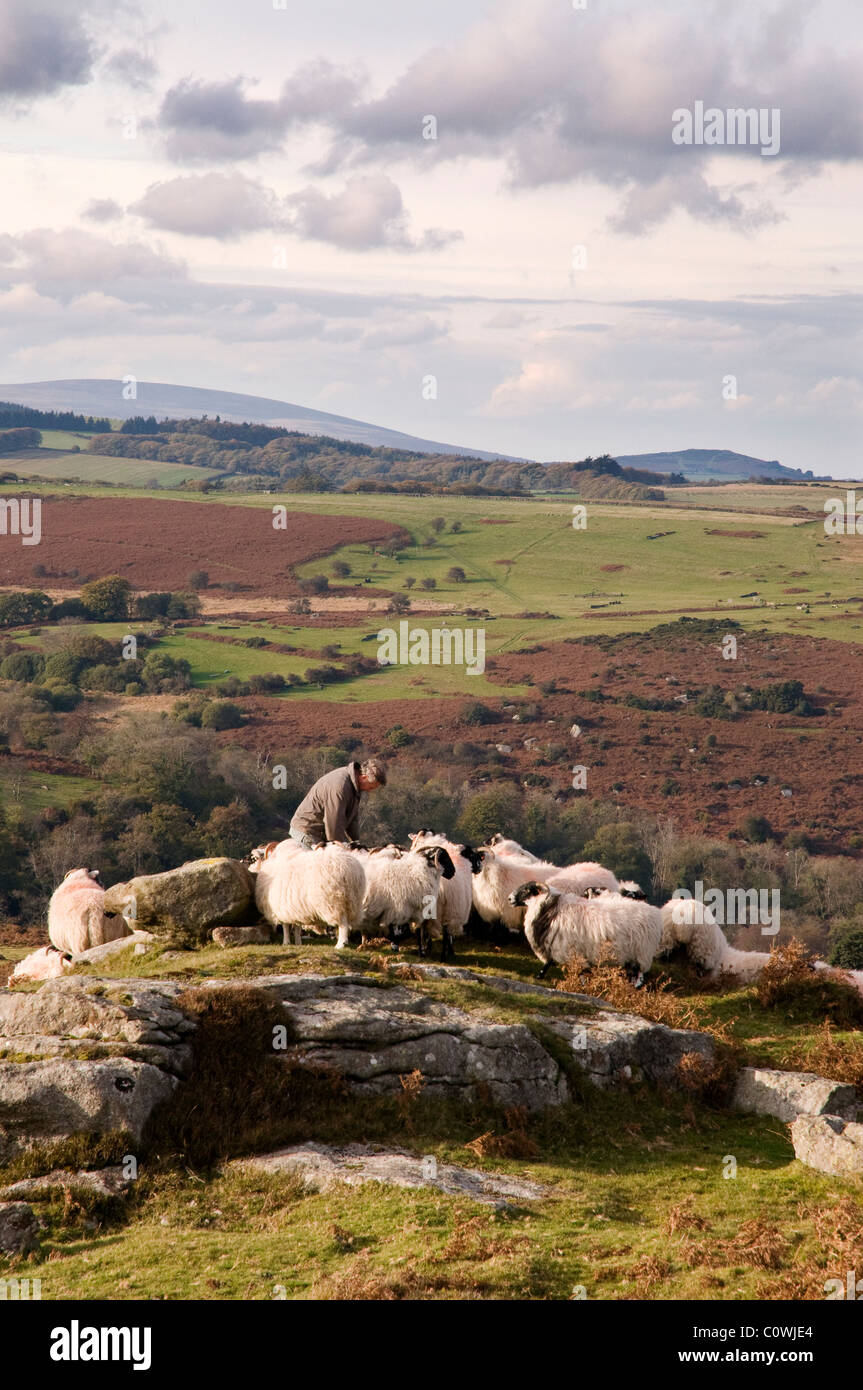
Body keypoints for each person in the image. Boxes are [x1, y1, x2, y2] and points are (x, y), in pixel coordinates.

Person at [289, 756, 387, 849]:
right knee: (314, 866)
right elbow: (334, 821)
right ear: (364, 777)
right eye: (370, 787)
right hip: (307, 832)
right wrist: (343, 846)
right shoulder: (340, 786)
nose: (369, 790)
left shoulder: (355, 786)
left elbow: (352, 819)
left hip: (321, 833)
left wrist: (355, 842)